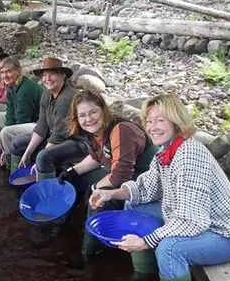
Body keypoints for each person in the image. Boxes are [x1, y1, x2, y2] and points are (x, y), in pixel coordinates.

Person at [90, 94, 230, 281]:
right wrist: (111, 193)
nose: (152, 127)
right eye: (149, 121)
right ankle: (144, 278)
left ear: (176, 122)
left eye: (160, 121)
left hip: (225, 235)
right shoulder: (167, 152)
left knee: (169, 248)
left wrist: (146, 241)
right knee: (133, 205)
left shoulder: (189, 155)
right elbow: (144, 189)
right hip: (199, 221)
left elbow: (191, 221)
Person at [58, 91, 157, 258]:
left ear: (103, 110)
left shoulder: (121, 130)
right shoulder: (93, 131)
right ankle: (66, 226)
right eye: (82, 115)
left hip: (144, 184)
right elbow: (97, 158)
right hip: (124, 178)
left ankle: (89, 253)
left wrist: (96, 187)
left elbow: (120, 175)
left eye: (93, 112)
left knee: (97, 200)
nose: (88, 119)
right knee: (77, 179)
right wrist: (71, 172)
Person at [13, 58, 77, 180]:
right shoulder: (47, 94)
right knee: (17, 143)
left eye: (52, 74)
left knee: (43, 157)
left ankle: (43, 189)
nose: (47, 79)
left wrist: (38, 162)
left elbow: (58, 135)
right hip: (55, 135)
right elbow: (42, 125)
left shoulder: (66, 99)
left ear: (63, 75)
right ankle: (16, 178)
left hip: (76, 141)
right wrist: (27, 154)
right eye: (44, 75)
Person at [0, 57, 43, 171]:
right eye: (2, 72)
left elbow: (22, 119)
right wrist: (0, 142)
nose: (5, 76)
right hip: (28, 121)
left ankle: (12, 166)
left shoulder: (25, 90)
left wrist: (5, 144)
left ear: (18, 71)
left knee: (6, 132)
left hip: (39, 125)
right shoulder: (12, 88)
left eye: (9, 71)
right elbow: (10, 115)